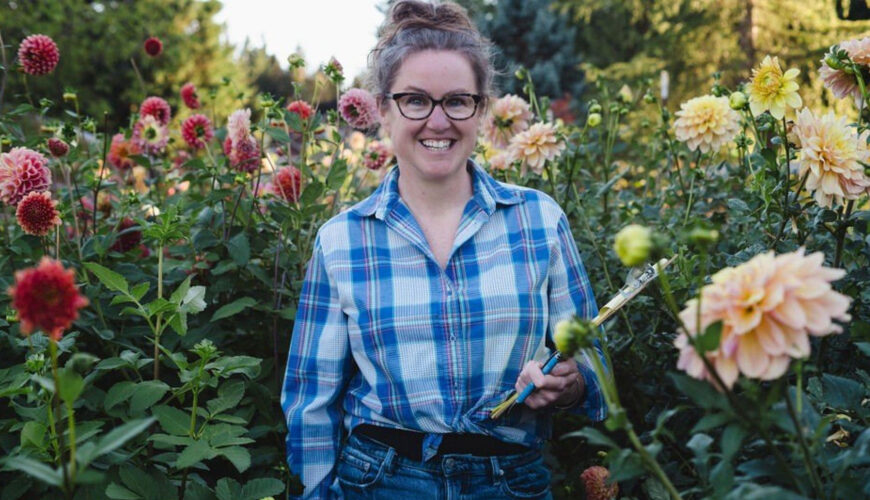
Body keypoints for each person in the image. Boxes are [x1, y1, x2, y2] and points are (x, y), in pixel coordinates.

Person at [281, 1, 608, 498]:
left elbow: (591, 360)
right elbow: (311, 401)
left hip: (511, 480)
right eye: (415, 100)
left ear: (482, 109)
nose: (438, 121)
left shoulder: (539, 221)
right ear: (385, 110)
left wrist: (573, 383)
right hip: (381, 480)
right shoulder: (342, 241)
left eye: (458, 100)